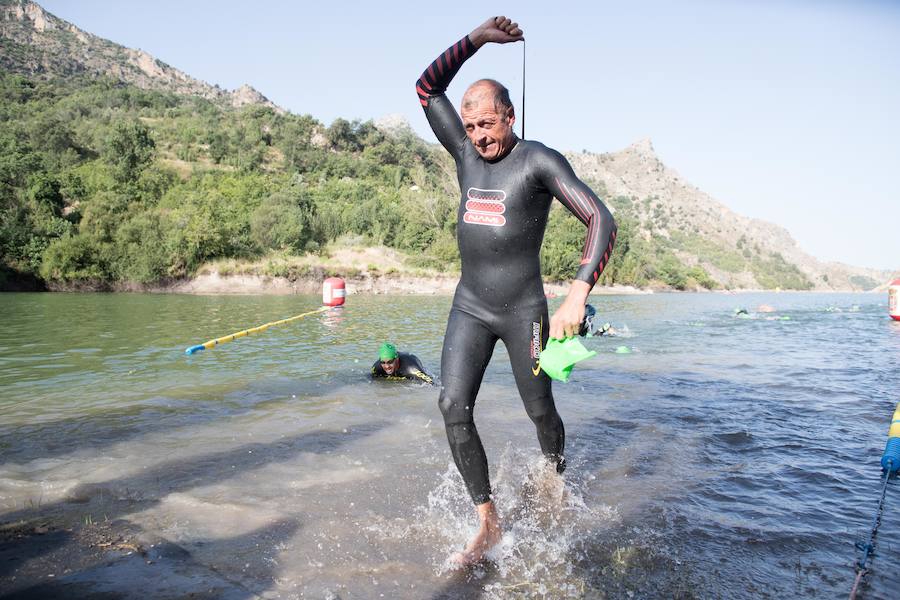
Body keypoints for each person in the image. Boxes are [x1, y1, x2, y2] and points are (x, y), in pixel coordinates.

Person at [416, 16, 617, 566]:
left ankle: (555, 477)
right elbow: (426, 88)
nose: (479, 136)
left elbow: (600, 218)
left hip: (525, 311)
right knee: (451, 403)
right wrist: (478, 39)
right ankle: (488, 521)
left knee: (540, 410)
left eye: (487, 124)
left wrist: (577, 293)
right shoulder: (464, 153)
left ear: (510, 116)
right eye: (470, 126)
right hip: (470, 306)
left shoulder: (537, 161)